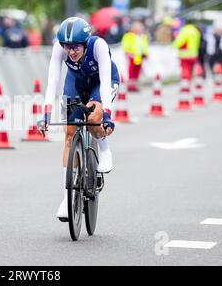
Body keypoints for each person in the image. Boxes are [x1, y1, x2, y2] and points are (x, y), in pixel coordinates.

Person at [38, 17, 119, 221]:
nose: (70, 52)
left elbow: (105, 81)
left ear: (85, 43)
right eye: (67, 47)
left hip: (100, 83)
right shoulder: (59, 49)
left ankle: (105, 149)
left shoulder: (98, 46)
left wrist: (106, 115)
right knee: (69, 134)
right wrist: (45, 114)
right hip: (75, 83)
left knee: (93, 117)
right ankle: (68, 197)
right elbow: (52, 82)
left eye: (75, 47)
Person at [121, 21, 149, 92]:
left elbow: (144, 46)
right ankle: (130, 86)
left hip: (140, 56)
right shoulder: (128, 36)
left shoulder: (143, 36)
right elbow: (125, 45)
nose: (140, 29)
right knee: (131, 71)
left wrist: (146, 53)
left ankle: (135, 85)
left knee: (138, 71)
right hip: (132, 56)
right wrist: (127, 53)